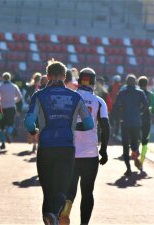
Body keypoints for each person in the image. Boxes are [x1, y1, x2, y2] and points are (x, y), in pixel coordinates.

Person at [24, 60, 94, 225]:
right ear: (64, 76)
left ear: (47, 76)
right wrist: (70, 127)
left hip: (46, 148)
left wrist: (35, 131)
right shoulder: (75, 96)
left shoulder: (39, 95)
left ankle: (50, 218)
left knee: (47, 192)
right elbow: (90, 124)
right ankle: (54, 215)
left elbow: (28, 123)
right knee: (62, 190)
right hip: (66, 147)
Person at [63, 68, 110, 225]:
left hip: (71, 152)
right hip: (90, 154)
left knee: (69, 190)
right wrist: (103, 151)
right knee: (87, 192)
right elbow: (106, 126)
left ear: (79, 81)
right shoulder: (99, 102)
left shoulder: (69, 98)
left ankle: (66, 208)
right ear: (94, 82)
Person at [111, 74, 148, 176]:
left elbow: (115, 106)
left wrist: (115, 118)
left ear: (126, 82)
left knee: (125, 146)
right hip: (136, 122)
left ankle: (128, 168)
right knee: (134, 145)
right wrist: (139, 112)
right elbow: (146, 105)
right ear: (135, 82)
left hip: (125, 122)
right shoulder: (140, 92)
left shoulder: (122, 93)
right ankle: (136, 158)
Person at [0, 72, 23, 149]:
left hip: (3, 108)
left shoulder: (0, 87)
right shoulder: (14, 86)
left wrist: (2, 100)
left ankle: (3, 143)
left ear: (2, 78)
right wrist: (14, 100)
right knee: (10, 124)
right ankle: (8, 133)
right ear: (10, 78)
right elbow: (20, 97)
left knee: (2, 126)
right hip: (11, 108)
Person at [138, 76, 154, 165]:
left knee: (135, 139)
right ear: (147, 84)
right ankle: (141, 161)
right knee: (145, 141)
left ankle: (134, 154)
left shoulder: (136, 93)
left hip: (135, 120)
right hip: (146, 120)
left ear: (138, 84)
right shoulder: (151, 94)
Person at [25, 72, 42, 152]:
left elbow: (25, 97)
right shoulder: (43, 87)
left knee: (33, 125)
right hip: (41, 110)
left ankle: (34, 143)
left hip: (32, 109)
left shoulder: (30, 87)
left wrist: (30, 103)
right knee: (39, 126)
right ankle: (37, 144)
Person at [108, 75, 122, 139]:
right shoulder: (121, 87)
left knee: (112, 119)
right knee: (117, 120)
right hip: (118, 106)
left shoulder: (111, 86)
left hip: (113, 106)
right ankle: (115, 133)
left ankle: (113, 132)